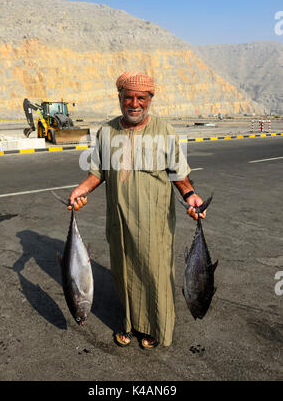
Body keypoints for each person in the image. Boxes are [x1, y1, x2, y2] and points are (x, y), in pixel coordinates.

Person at [67, 71, 206, 349]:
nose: (134, 103)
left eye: (141, 97)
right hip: (119, 222)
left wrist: (190, 194)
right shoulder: (106, 132)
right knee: (124, 273)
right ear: (119, 98)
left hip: (154, 222)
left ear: (150, 99)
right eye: (128, 97)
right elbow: (98, 172)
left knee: (154, 275)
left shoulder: (165, 131)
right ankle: (128, 324)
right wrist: (82, 189)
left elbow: (179, 175)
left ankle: (153, 329)